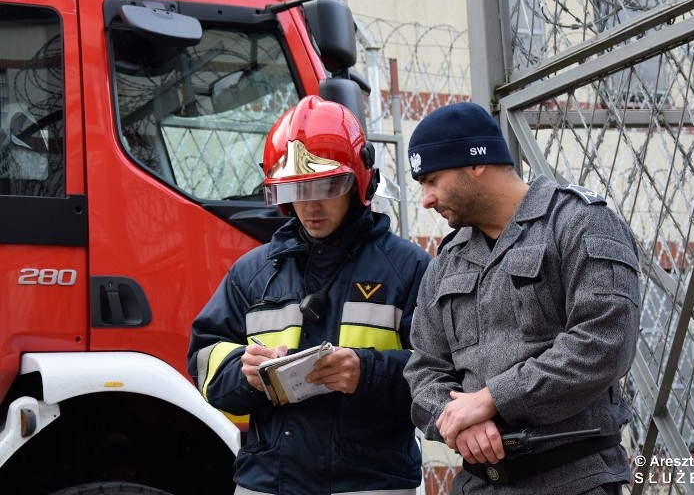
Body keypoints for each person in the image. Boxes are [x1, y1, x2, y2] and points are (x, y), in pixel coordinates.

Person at [188, 95, 431, 495]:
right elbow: (202, 362)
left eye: (327, 185)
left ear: (359, 183)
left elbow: (443, 371)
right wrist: (243, 372)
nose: (310, 205)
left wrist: (366, 373)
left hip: (369, 483)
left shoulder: (406, 268)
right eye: (295, 189)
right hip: (268, 482)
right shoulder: (251, 274)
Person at [403, 102, 641, 494]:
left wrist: (495, 399)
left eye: (432, 180)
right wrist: (456, 418)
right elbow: (423, 368)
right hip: (480, 484)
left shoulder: (578, 222)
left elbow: (605, 341)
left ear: (475, 163)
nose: (427, 198)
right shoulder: (447, 262)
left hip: (573, 479)